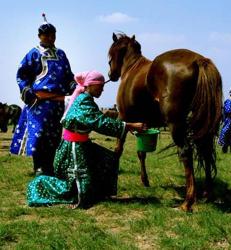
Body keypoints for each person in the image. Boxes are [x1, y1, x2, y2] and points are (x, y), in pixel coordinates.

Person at [27, 70, 146, 208]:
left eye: (102, 85)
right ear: (89, 85)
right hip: (74, 148)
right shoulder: (84, 101)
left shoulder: (86, 100)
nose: (102, 88)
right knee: (74, 189)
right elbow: (100, 122)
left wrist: (127, 127)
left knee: (108, 159)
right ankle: (40, 186)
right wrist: (129, 125)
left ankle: (100, 192)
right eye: (99, 85)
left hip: (81, 144)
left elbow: (99, 120)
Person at [10, 14, 76, 176]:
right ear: (39, 36)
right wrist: (26, 91)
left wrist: (74, 86)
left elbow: (68, 75)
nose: (50, 37)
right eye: (46, 34)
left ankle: (50, 166)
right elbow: (22, 74)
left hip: (59, 102)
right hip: (39, 102)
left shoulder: (61, 54)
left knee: (55, 135)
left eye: (53, 34)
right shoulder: (33, 54)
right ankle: (39, 166)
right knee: (39, 134)